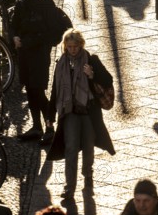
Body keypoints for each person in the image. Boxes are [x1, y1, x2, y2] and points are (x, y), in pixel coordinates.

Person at [46, 29, 115, 200]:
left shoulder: (91, 60)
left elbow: (108, 80)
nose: (73, 50)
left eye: (75, 46)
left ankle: (88, 175)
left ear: (81, 45)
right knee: (70, 149)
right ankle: (69, 188)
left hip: (89, 112)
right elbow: (55, 89)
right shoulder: (61, 64)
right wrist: (50, 115)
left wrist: (92, 75)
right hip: (69, 113)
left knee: (88, 147)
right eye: (69, 47)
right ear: (65, 47)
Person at [11, 0, 72, 145]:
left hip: (39, 54)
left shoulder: (45, 4)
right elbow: (14, 26)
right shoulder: (21, 4)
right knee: (30, 90)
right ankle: (37, 126)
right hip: (24, 54)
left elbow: (53, 32)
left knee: (38, 90)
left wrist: (31, 41)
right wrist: (14, 36)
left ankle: (50, 128)